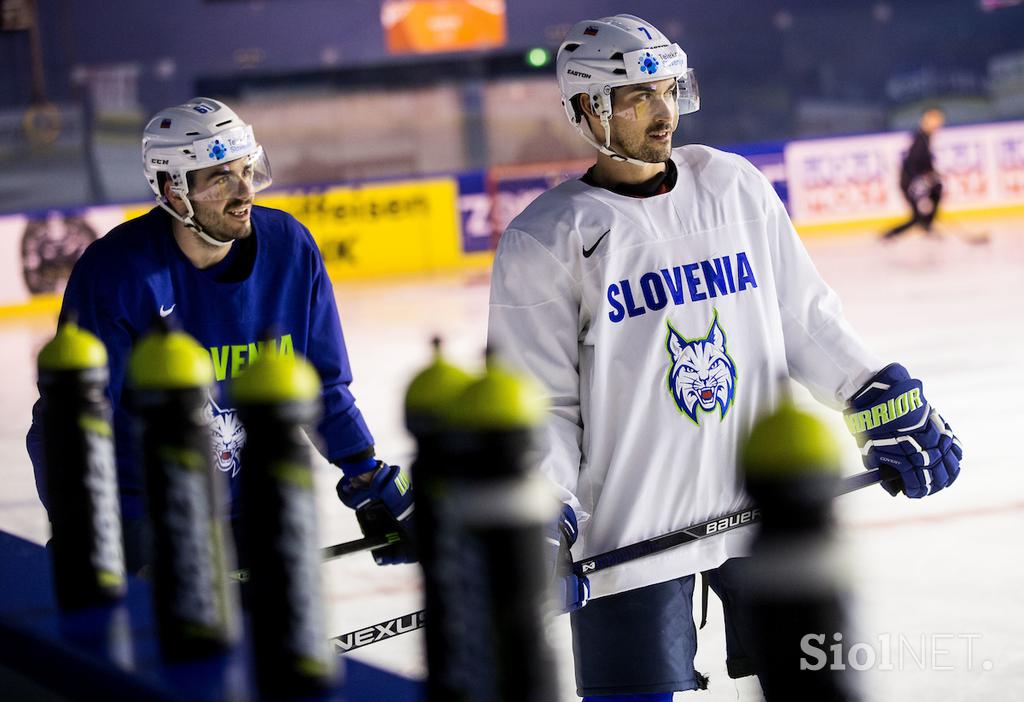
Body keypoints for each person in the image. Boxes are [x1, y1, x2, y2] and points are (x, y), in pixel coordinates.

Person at [487, 15, 962, 701]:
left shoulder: (734, 187)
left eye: (669, 89)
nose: (664, 111)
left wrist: (877, 395)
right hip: (631, 536)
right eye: (639, 96)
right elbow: (544, 405)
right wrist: (544, 514)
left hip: (765, 515)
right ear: (590, 108)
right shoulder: (548, 239)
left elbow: (805, 318)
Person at [27, 97, 414, 573]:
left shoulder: (290, 250)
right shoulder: (119, 275)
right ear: (173, 191)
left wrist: (365, 477)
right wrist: (93, 528)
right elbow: (66, 425)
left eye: (247, 170)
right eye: (220, 178)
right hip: (146, 513)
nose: (244, 190)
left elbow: (321, 386)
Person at [882, 108, 945, 239]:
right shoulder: (920, 140)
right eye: (936, 120)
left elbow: (923, 163)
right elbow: (912, 163)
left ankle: (927, 225)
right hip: (909, 182)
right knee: (917, 217)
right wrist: (921, 178)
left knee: (937, 190)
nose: (939, 123)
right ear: (926, 121)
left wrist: (932, 174)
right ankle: (890, 234)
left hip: (913, 181)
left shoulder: (925, 138)